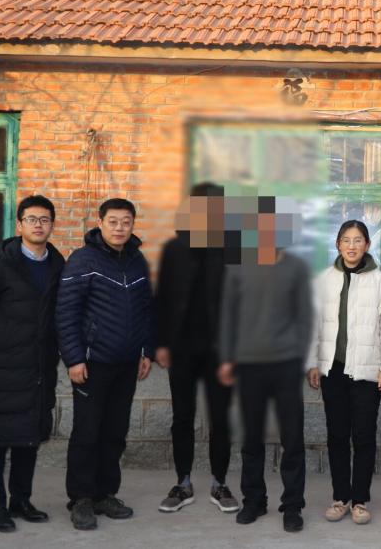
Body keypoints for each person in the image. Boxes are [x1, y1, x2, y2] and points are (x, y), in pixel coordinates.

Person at [0, 195, 65, 533]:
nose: (39, 225)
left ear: (52, 225)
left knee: (29, 437)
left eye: (45, 219)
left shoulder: (57, 266)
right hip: (4, 368)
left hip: (39, 368)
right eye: (32, 219)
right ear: (19, 224)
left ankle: (21, 500)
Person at [55, 197, 155, 531]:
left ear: (132, 224)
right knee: (87, 432)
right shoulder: (83, 260)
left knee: (115, 432)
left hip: (126, 364)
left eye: (126, 222)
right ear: (100, 223)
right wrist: (73, 358)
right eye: (113, 221)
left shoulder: (137, 261)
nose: (119, 228)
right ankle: (81, 499)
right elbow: (66, 312)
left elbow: (147, 310)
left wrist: (146, 350)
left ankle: (104, 494)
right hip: (92, 363)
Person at [217, 204, 313, 533]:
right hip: (249, 365)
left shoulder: (296, 268)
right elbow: (228, 315)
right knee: (252, 438)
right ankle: (254, 500)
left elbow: (304, 316)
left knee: (292, 439)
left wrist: (298, 357)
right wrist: (227, 358)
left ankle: (293, 505)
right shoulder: (237, 267)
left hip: (286, 365)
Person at [306, 220, 381, 525]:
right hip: (332, 371)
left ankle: (360, 500)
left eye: (358, 240)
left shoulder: (379, 281)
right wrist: (312, 363)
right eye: (346, 240)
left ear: (367, 245)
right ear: (337, 245)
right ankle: (340, 498)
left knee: (363, 436)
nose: (352, 246)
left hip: (366, 372)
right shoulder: (324, 280)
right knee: (336, 435)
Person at [154, 184, 239, 514]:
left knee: (221, 418)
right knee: (182, 417)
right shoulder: (175, 248)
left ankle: (220, 482)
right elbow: (162, 298)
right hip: (182, 349)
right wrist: (161, 343)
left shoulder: (233, 248)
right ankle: (183, 482)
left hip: (220, 351)